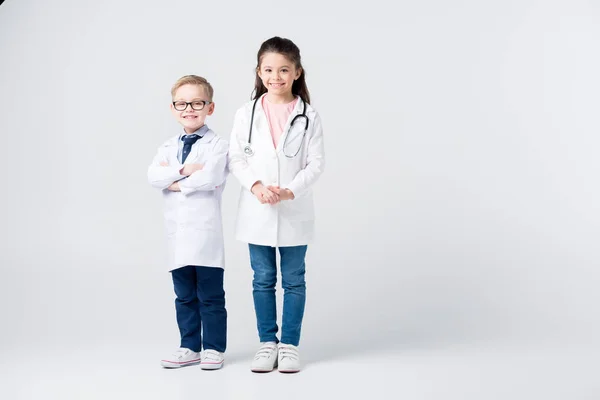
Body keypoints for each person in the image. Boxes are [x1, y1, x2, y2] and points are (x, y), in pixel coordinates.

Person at [228, 36, 325, 373]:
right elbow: (237, 157)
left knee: (294, 279)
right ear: (258, 71)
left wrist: (288, 191)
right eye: (268, 69)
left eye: (284, 69)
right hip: (258, 206)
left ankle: (289, 346)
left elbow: (315, 164)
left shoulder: (308, 115)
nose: (276, 76)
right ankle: (267, 343)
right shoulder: (246, 112)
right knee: (263, 278)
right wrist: (256, 187)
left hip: (292, 206)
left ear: (297, 72)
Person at [147, 75, 229, 370]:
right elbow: (154, 176)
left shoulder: (218, 145)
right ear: (173, 108)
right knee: (184, 296)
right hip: (177, 235)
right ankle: (189, 346)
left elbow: (211, 177)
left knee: (210, 296)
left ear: (210, 107)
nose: (189, 108)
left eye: (197, 102)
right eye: (182, 103)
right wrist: (184, 170)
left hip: (205, 234)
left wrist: (175, 182)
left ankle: (214, 348)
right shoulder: (167, 147)